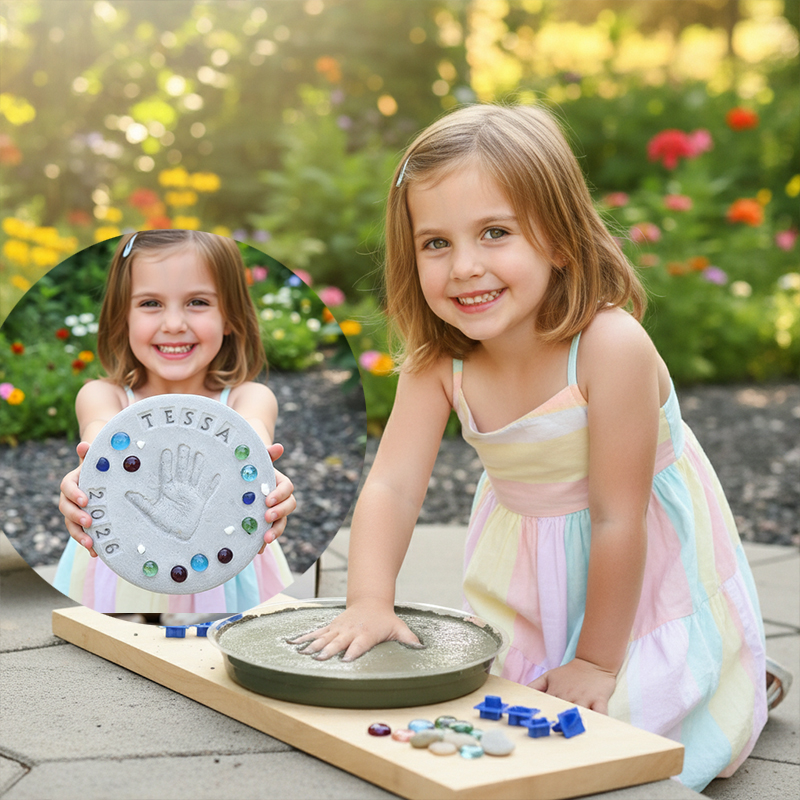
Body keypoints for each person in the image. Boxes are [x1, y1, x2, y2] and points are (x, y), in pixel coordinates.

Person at [289, 104, 770, 791]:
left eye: (494, 233)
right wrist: (369, 599)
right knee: (508, 724)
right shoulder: (438, 362)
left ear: (560, 239)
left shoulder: (608, 347)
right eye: (436, 243)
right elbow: (392, 486)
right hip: (526, 567)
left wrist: (598, 663)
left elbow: (617, 518)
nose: (464, 268)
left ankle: (727, 666)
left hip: (635, 564)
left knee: (620, 734)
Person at [55, 230, 296, 613]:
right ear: (123, 318)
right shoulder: (103, 396)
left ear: (230, 317)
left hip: (224, 560)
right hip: (120, 566)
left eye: (197, 302)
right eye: (150, 303)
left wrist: (272, 486)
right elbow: (98, 441)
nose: (173, 323)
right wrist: (80, 484)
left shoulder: (251, 398)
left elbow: (252, 446)